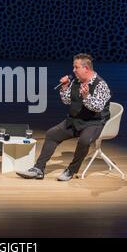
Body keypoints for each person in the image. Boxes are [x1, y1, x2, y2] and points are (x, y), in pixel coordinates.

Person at [17, 53, 111, 181]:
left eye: (76, 67)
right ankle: (38, 169)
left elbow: (98, 107)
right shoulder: (76, 82)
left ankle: (71, 170)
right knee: (51, 134)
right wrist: (65, 87)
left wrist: (86, 96)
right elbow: (67, 101)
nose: (73, 70)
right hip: (75, 120)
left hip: (94, 122)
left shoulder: (101, 85)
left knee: (84, 141)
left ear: (86, 69)